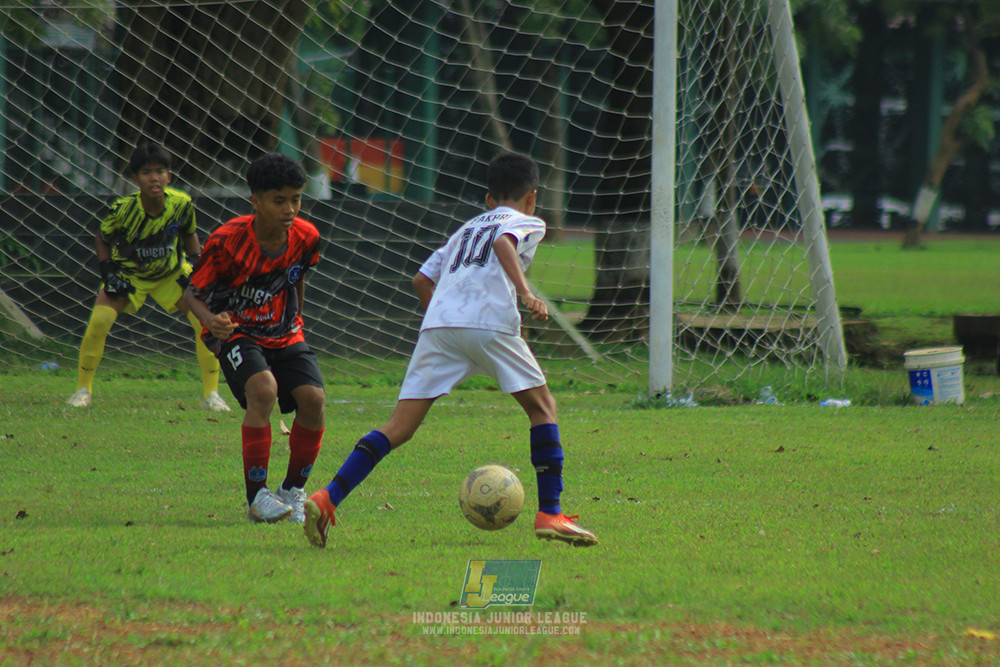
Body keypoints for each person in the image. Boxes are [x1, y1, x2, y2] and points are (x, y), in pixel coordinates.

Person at [303, 152, 598, 548]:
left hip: (440, 327)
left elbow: (421, 280)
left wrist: (447, 320)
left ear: (489, 199)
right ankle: (550, 512)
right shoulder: (526, 220)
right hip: (489, 322)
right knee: (543, 409)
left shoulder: (464, 230)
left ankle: (327, 497)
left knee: (398, 427)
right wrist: (525, 293)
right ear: (532, 196)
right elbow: (504, 243)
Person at [183, 153, 325, 525]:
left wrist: (295, 321)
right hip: (238, 330)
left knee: (314, 399)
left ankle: (292, 491)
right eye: (279, 200)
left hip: (284, 331)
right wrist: (211, 321)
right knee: (263, 390)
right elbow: (191, 294)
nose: (290, 209)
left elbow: (298, 278)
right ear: (256, 202)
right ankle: (257, 497)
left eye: (296, 199)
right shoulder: (227, 241)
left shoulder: (307, 236)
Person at [67, 142, 229, 412]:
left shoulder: (181, 203)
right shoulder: (123, 209)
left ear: (169, 176)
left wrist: (197, 263)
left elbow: (190, 232)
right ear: (135, 178)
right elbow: (102, 237)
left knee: (206, 322)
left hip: (171, 274)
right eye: (146, 172)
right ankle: (83, 390)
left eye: (160, 171)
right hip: (130, 274)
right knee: (99, 321)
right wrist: (108, 271)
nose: (154, 177)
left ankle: (211, 395)